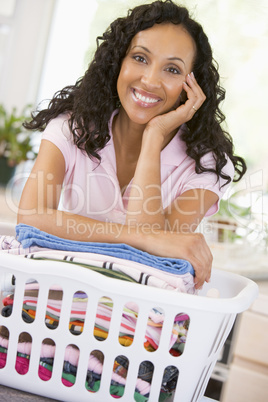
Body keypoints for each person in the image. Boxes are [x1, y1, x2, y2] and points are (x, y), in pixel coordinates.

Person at [17, 0, 246, 289]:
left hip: (144, 314)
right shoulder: (71, 128)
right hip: (63, 298)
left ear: (192, 86)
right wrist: (137, 236)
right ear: (118, 62)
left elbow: (151, 259)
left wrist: (153, 137)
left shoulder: (207, 163)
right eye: (140, 58)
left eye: (172, 70)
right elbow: (30, 219)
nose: (150, 80)